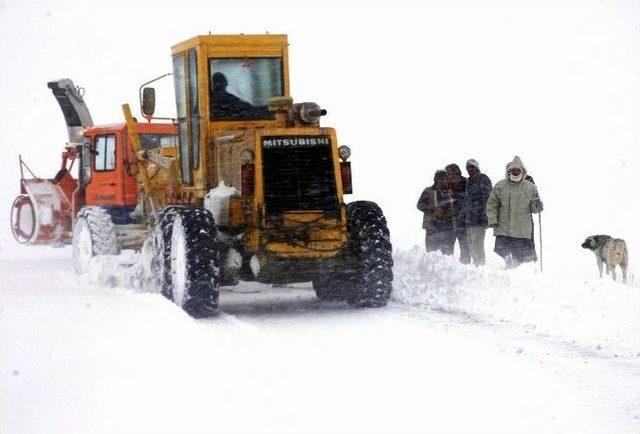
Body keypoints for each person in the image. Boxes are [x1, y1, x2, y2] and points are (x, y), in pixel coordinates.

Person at [486, 156, 544, 267]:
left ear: (522, 171)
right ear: (509, 171)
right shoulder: (500, 186)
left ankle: (515, 274)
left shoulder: (530, 187)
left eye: (518, 170)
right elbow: (492, 204)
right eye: (514, 170)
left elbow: (534, 207)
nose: (516, 172)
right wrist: (492, 219)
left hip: (521, 229)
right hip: (503, 227)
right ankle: (507, 268)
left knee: (519, 256)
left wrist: (538, 207)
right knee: (502, 251)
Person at [457, 159, 492, 265]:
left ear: (477, 168)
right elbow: (466, 201)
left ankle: (480, 267)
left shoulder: (483, 179)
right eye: (468, 167)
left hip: (479, 219)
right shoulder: (469, 181)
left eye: (472, 167)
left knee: (477, 245)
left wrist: (485, 216)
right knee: (471, 246)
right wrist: (462, 217)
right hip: (468, 220)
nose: (470, 169)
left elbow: (488, 198)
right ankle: (475, 269)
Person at [417, 170, 455, 254]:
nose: (447, 181)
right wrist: (433, 208)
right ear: (438, 179)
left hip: (447, 229)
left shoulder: (449, 193)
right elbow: (420, 205)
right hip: (432, 228)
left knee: (447, 257)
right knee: (432, 255)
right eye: (445, 179)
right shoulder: (428, 191)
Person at [444, 163, 470, 264]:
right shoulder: (445, 185)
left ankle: (465, 269)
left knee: (465, 248)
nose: (447, 176)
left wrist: (454, 195)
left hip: (464, 221)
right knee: (447, 248)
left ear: (457, 173)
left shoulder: (467, 183)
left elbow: (469, 198)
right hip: (449, 222)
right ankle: (448, 268)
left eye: (449, 173)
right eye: (446, 174)